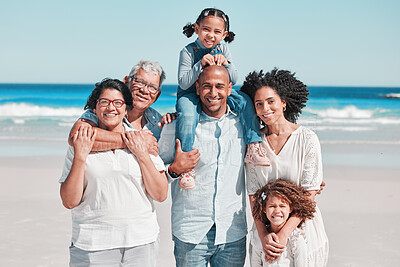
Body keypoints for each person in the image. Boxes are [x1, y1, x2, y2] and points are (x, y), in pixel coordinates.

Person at [59, 78, 168, 266]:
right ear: (94, 108)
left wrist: (141, 153)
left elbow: (160, 194)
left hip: (141, 242)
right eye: (104, 102)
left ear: (126, 109)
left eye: (118, 103)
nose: (111, 108)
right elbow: (69, 201)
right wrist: (80, 156)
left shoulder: (143, 140)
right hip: (93, 243)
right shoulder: (81, 143)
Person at [158, 65, 247, 266]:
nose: (213, 93)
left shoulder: (242, 124)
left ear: (230, 88)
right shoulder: (175, 127)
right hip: (191, 232)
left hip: (232, 233)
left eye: (219, 86)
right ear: (197, 88)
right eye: (207, 86)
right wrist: (174, 170)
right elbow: (158, 173)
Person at [240, 69, 329, 266]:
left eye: (271, 101)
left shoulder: (307, 139)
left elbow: (309, 194)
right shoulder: (254, 144)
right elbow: (254, 195)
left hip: (303, 231)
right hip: (266, 232)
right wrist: (264, 236)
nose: (265, 109)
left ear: (284, 102)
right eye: (259, 104)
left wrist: (285, 235)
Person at [175, 7, 269, 189]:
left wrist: (225, 63)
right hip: (189, 93)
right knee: (187, 116)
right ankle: (186, 166)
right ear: (196, 29)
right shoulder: (187, 51)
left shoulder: (223, 48)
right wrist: (199, 65)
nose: (211, 35)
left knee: (244, 101)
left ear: (224, 34)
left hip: (218, 89)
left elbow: (233, 79)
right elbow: (184, 82)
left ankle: (254, 145)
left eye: (217, 32)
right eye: (206, 30)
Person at [69, 59, 166, 151]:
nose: (144, 90)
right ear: (126, 81)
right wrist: (136, 140)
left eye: (152, 87)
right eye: (140, 82)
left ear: (157, 96)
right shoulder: (107, 111)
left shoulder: (159, 123)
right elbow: (76, 137)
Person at [252, 179, 316, 266]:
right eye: (272, 206)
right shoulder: (258, 237)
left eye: (282, 206)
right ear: (264, 209)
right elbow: (255, 264)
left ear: (291, 209)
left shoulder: (296, 239)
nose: (277, 211)